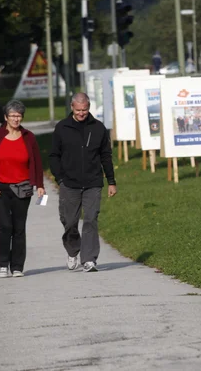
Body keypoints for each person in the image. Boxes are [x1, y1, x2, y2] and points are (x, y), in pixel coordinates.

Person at [50, 93, 117, 273]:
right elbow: (53, 156)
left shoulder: (98, 128)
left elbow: (106, 156)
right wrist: (60, 178)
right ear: (72, 107)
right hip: (69, 183)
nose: (81, 113)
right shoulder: (62, 128)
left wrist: (111, 181)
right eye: (78, 110)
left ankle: (89, 259)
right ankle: (73, 252)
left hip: (93, 182)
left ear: (89, 108)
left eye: (85, 110)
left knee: (90, 219)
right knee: (69, 221)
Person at [0, 100, 45, 278]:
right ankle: (2, 265)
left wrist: (40, 185)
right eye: (13, 115)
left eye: (19, 115)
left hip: (22, 187)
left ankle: (17, 267)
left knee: (19, 227)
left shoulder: (28, 137)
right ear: (6, 117)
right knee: (5, 225)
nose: (16, 118)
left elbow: (37, 163)